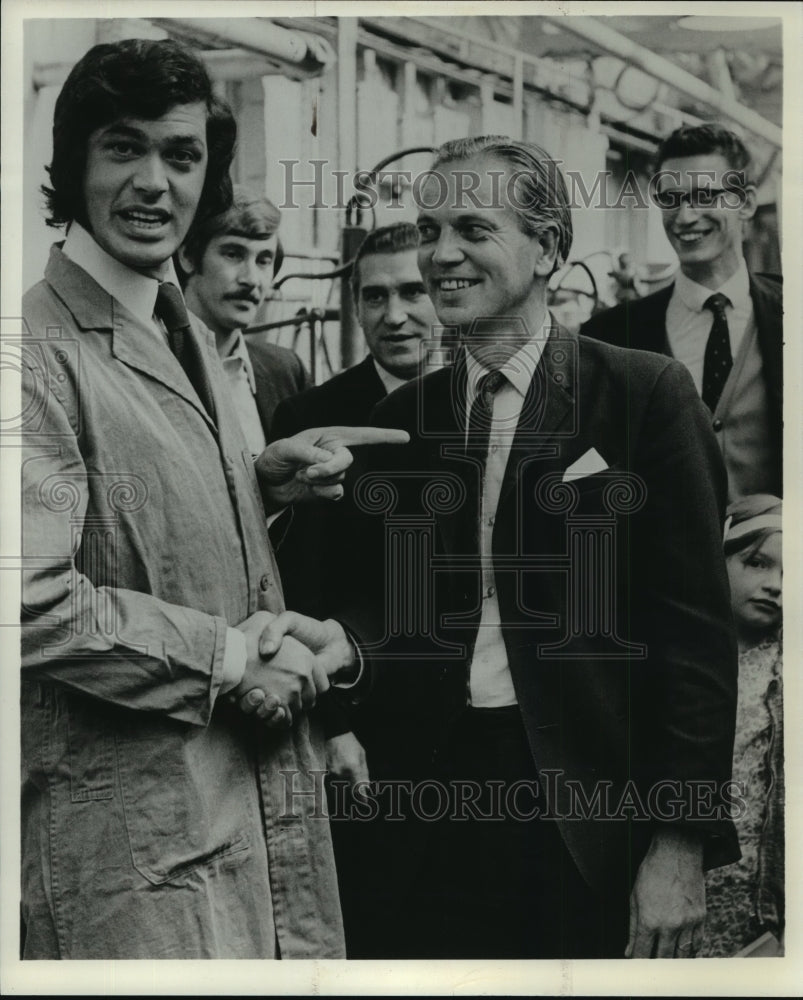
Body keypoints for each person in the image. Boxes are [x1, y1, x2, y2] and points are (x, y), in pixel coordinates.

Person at [260, 135, 740, 959]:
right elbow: (404, 610)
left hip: (581, 821)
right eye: (430, 227)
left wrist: (678, 843)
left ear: (548, 246)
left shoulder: (642, 395)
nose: (441, 253)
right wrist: (347, 646)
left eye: (473, 230)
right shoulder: (409, 418)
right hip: (419, 810)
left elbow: (692, 638)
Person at [20, 37, 403, 960]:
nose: (155, 181)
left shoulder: (173, 322)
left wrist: (253, 483)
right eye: (124, 147)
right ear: (74, 163)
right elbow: (26, 601)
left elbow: (129, 522)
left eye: (182, 155)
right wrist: (231, 657)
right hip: (133, 846)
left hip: (245, 812)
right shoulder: (33, 351)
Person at [270, 222, 441, 956]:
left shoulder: (492, 406)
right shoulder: (313, 417)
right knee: (379, 922)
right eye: (374, 296)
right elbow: (298, 582)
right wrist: (335, 724)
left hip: (485, 718)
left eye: (414, 291)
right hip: (372, 720)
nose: (394, 314)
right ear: (353, 305)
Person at [581, 123, 782, 501]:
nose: (685, 216)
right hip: (659, 558)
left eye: (705, 196)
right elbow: (588, 467)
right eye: (670, 198)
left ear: (747, 203)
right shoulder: (610, 335)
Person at [701, 495, 784, 957]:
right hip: (687, 873)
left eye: (791, 575)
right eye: (757, 563)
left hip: (758, 879)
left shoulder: (784, 665)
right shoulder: (685, 663)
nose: (775, 585)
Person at [179, 185, 311, 447]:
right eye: (233, 254)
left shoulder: (285, 370)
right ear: (188, 257)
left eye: (263, 260)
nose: (251, 279)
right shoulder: (152, 361)